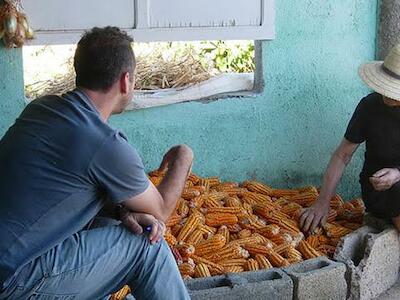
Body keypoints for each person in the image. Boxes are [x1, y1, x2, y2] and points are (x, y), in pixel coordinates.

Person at [0, 26, 192, 299]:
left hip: (12, 264)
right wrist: (184, 157)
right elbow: (161, 210)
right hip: (13, 282)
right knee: (146, 245)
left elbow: (65, 190)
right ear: (126, 81)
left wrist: (122, 211)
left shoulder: (40, 109)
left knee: (115, 226)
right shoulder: (105, 144)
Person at [300, 44, 400, 233]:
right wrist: (322, 202)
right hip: (380, 191)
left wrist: (397, 173)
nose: (388, 95)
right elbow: (342, 155)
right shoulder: (369, 107)